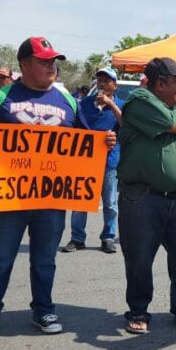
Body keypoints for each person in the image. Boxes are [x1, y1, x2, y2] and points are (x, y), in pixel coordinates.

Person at [0, 37, 116, 340]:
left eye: (53, 61)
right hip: (7, 196)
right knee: (0, 257)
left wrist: (105, 143)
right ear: (24, 64)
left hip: (51, 198)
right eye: (44, 61)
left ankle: (44, 309)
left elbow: (86, 140)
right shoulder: (0, 97)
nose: (51, 66)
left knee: (45, 258)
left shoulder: (67, 101)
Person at [117, 57, 176, 334]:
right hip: (142, 195)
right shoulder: (139, 101)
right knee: (140, 257)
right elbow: (172, 124)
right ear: (160, 83)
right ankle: (138, 311)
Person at [62, 67, 124, 254]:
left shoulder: (122, 105)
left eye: (107, 80)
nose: (103, 84)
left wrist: (111, 105)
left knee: (110, 203)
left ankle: (108, 237)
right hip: (86, 161)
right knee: (80, 202)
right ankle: (77, 238)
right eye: (100, 80)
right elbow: (75, 128)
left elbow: (126, 125)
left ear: (115, 85)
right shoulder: (85, 103)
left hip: (109, 162)